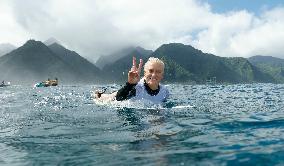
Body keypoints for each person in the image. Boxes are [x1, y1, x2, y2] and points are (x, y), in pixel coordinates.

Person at [95, 57, 169, 103]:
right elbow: (118, 99)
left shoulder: (165, 91)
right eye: (151, 71)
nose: (154, 75)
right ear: (145, 73)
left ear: (162, 75)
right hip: (112, 96)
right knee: (101, 97)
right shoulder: (137, 88)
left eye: (158, 72)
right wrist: (130, 84)